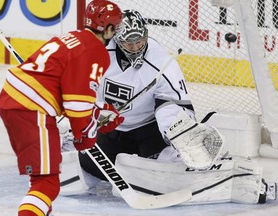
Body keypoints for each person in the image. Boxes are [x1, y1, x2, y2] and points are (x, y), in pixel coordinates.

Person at [59, 9, 277, 206]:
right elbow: (81, 89)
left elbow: (178, 104)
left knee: (166, 157)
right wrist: (95, 112)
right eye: (129, 43)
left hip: (147, 131)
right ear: (116, 39)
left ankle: (228, 176)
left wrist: (176, 129)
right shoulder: (98, 55)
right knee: (85, 165)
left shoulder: (162, 61)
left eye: (140, 41)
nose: (136, 47)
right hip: (111, 129)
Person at [0, 1, 123, 215]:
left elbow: (67, 90)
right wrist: (85, 135)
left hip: (15, 102)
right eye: (116, 27)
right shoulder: (95, 50)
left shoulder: (73, 37)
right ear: (108, 28)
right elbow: (76, 103)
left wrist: (100, 110)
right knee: (46, 183)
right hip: (32, 110)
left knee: (41, 178)